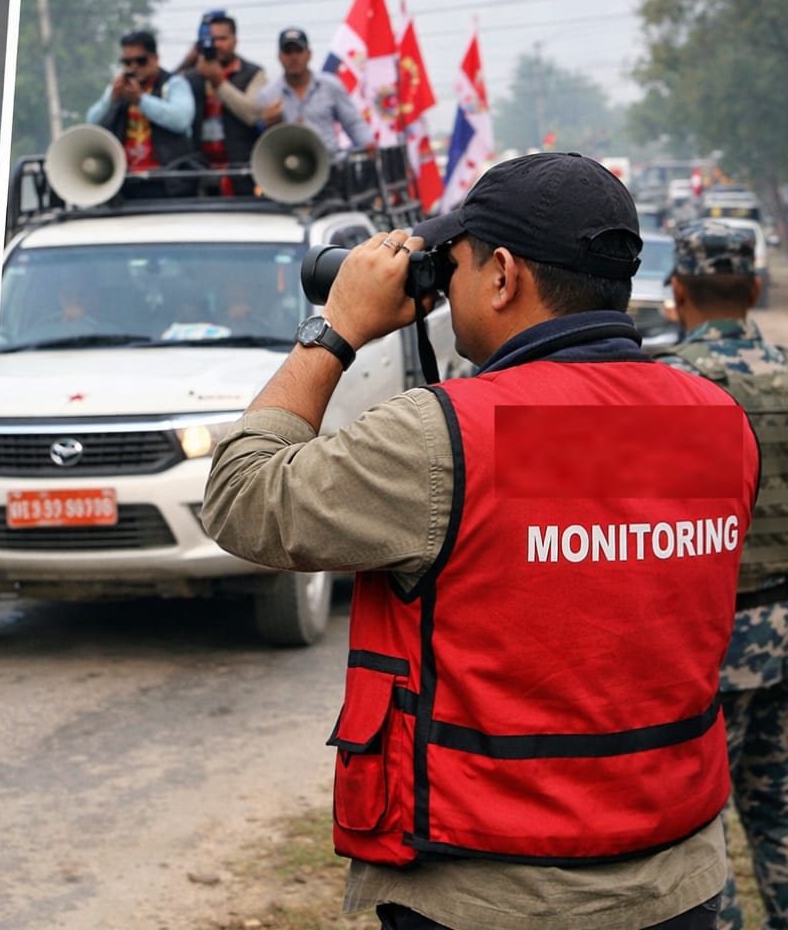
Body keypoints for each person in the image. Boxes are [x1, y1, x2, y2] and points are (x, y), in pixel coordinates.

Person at [201, 152, 757, 929]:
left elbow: (241, 496)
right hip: (675, 880)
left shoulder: (446, 437)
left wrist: (335, 329)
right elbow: (581, 496)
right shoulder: (712, 422)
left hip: (488, 889)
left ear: (502, 276)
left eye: (453, 264)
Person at [654, 219, 788, 930]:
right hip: (785, 630)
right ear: (755, 289)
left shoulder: (666, 389)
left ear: (676, 291)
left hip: (705, 644)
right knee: (780, 809)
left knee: (700, 823)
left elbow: (534, 470)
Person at [84, 29, 195, 191]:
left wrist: (141, 100)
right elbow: (91, 123)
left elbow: (181, 120)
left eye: (140, 61)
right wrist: (111, 100)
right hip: (126, 181)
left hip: (167, 180)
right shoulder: (119, 88)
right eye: (127, 62)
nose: (134, 67)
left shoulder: (174, 84)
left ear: (155, 59)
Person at [254, 27, 374, 158]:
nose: (294, 57)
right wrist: (265, 124)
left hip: (330, 161)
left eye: (299, 51)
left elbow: (353, 123)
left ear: (309, 54)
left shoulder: (330, 85)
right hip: (289, 165)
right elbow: (261, 140)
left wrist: (368, 143)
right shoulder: (268, 95)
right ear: (280, 56)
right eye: (288, 52)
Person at [182, 13, 266, 194]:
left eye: (223, 39)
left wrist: (219, 82)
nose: (217, 45)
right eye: (212, 39)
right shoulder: (192, 77)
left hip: (241, 168)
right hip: (201, 170)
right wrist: (188, 63)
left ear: (235, 41)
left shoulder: (253, 73)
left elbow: (252, 114)